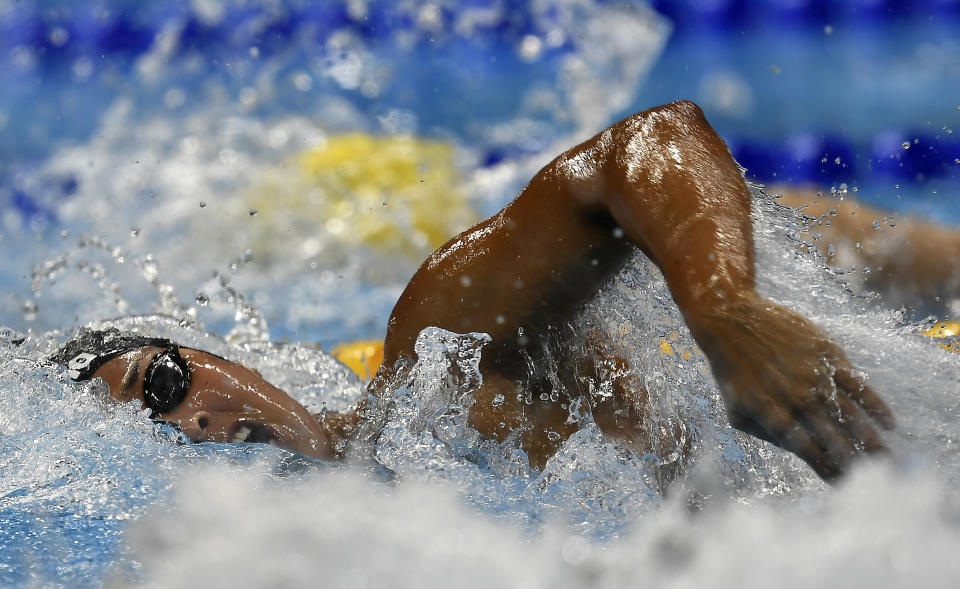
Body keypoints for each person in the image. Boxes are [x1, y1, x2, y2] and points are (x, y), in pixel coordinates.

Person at [52, 101, 895, 481]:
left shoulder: (434, 363)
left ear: (204, 349)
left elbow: (646, 142)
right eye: (161, 437)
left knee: (836, 232)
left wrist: (721, 306)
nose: (191, 419)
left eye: (163, 383)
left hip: (873, 423)